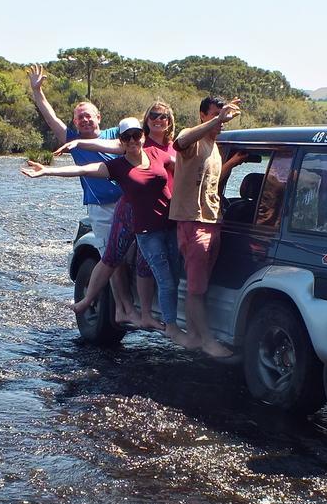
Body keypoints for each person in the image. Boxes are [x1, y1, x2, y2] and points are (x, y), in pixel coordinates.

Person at [21, 118, 197, 349]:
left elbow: (184, 167)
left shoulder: (157, 154)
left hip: (168, 225)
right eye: (127, 138)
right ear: (121, 142)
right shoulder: (118, 166)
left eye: (136, 135)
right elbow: (83, 169)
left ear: (143, 136)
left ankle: (147, 315)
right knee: (146, 271)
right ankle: (170, 327)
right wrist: (47, 171)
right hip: (145, 229)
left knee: (163, 273)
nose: (133, 140)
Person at [56, 101, 178, 331]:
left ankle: (143, 313)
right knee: (114, 257)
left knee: (143, 262)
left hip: (162, 213)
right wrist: (66, 152)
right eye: (153, 115)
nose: (158, 119)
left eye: (163, 116)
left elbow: (190, 168)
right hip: (129, 209)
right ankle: (94, 302)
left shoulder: (171, 147)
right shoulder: (132, 145)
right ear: (145, 123)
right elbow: (89, 163)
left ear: (170, 121)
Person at [27, 64, 134, 321]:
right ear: (75, 123)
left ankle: (138, 304)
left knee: (137, 253)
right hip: (101, 208)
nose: (85, 120)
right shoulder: (72, 141)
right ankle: (122, 307)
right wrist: (37, 91)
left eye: (89, 116)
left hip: (129, 202)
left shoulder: (116, 135)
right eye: (80, 118)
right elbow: (50, 117)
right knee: (114, 257)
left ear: (99, 117)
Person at [169, 96, 242, 358]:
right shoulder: (193, 140)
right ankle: (206, 341)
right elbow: (179, 141)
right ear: (202, 115)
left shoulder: (213, 146)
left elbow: (210, 181)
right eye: (214, 115)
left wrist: (232, 163)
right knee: (196, 288)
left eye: (223, 116)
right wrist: (218, 119)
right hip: (193, 222)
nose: (221, 121)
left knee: (200, 286)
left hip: (213, 221)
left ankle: (194, 337)